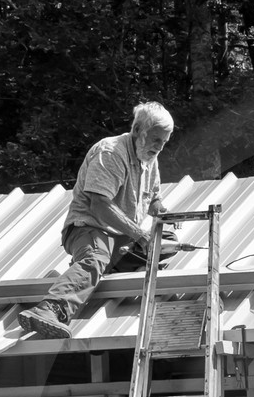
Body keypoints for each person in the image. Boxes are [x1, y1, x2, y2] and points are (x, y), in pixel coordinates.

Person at [17, 102, 181, 339]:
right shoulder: (111, 152)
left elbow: (153, 200)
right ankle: (49, 309)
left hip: (121, 237)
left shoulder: (149, 157)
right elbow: (100, 205)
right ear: (137, 131)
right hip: (91, 228)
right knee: (95, 257)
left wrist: (162, 212)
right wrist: (139, 234)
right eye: (156, 140)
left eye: (164, 142)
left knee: (168, 241)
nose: (160, 147)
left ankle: (79, 276)